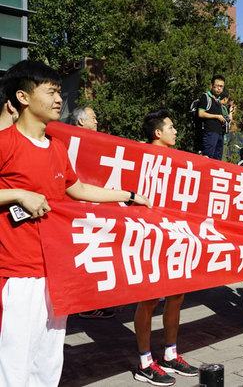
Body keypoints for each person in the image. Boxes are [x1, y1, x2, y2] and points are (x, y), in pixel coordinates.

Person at [0, 60, 151, 387]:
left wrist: (127, 194)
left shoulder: (57, 147)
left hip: (57, 273)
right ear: (24, 97)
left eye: (59, 92)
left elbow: (77, 188)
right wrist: (18, 195)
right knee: (14, 364)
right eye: (51, 92)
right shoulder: (5, 142)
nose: (59, 100)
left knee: (49, 359)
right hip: (17, 275)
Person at [133, 109, 198, 386]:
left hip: (175, 235)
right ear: (157, 133)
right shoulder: (138, 156)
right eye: (170, 127)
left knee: (176, 296)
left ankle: (170, 354)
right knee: (148, 298)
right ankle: (145, 362)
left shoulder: (179, 160)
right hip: (149, 237)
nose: (175, 131)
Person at [72, 104, 115, 320]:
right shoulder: (71, 144)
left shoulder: (96, 143)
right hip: (79, 209)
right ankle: (84, 304)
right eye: (93, 118)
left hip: (95, 206)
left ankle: (92, 301)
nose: (96, 121)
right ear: (81, 121)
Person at [197, 75, 227, 160]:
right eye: (217, 86)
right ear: (211, 85)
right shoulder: (205, 97)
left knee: (218, 161)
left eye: (221, 86)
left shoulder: (218, 100)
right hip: (210, 132)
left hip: (219, 133)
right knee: (208, 159)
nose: (219, 88)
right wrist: (217, 116)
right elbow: (201, 113)